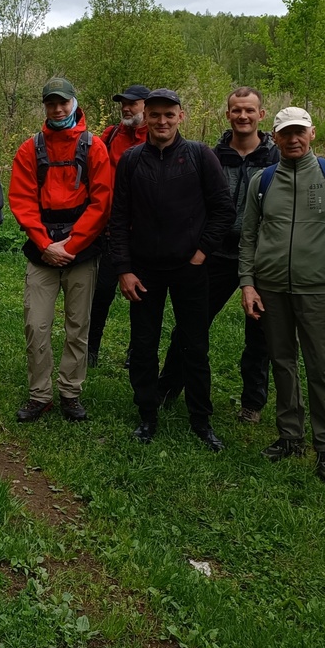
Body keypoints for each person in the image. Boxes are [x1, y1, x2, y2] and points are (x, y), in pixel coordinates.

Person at [238, 107, 325, 483]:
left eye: (299, 132)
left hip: (320, 288)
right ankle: (289, 436)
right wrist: (247, 283)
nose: (293, 139)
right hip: (271, 287)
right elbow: (249, 236)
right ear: (274, 137)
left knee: (321, 367)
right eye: (285, 133)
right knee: (282, 361)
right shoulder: (263, 180)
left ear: (312, 134)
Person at [109, 88, 233, 449]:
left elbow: (223, 209)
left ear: (181, 116)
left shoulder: (199, 155)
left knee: (194, 346)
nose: (162, 121)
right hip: (144, 270)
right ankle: (147, 414)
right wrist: (123, 269)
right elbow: (119, 219)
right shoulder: (132, 160)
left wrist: (200, 253)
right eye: (155, 115)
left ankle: (201, 419)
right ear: (145, 118)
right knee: (143, 345)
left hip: (189, 269)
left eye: (169, 115)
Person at [8, 78, 113, 422]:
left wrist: (72, 244)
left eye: (63, 103)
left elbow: (101, 201)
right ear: (44, 106)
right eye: (51, 104)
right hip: (43, 249)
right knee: (35, 325)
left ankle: (70, 392)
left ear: (74, 102)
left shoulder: (93, 146)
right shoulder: (30, 149)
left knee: (77, 325)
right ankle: (40, 394)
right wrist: (45, 244)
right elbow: (22, 200)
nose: (57, 110)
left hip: (81, 250)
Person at [210, 87, 281, 423]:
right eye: (236, 110)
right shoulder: (212, 157)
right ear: (228, 115)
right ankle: (170, 387)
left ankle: (252, 403)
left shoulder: (276, 158)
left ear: (260, 115)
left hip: (262, 255)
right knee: (191, 324)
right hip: (218, 253)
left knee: (259, 335)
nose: (243, 116)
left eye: (249, 110)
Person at [86, 84, 150, 366]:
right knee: (100, 294)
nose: (126, 107)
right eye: (124, 103)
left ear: (147, 106)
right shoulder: (111, 135)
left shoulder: (157, 137)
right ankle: (90, 350)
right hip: (112, 230)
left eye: (133, 103)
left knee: (143, 297)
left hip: (146, 233)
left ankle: (136, 353)